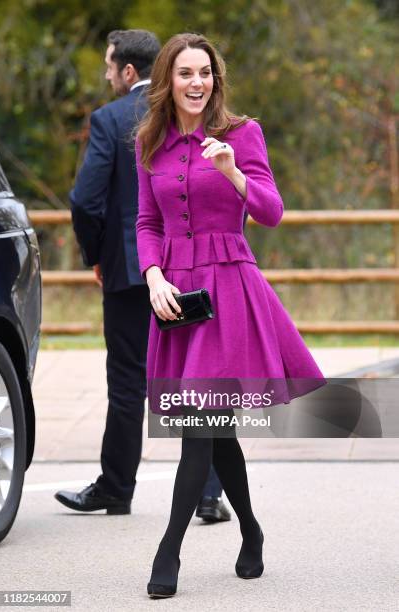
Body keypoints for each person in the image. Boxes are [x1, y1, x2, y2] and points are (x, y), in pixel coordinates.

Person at [135, 32, 326, 598]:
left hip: (229, 294)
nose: (198, 83)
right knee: (217, 433)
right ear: (168, 80)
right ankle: (251, 531)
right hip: (176, 295)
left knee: (199, 425)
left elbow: (270, 212)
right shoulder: (150, 143)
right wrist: (152, 277)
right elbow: (146, 222)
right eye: (186, 73)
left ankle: (167, 551)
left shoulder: (242, 134)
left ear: (216, 79)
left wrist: (234, 173)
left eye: (206, 73)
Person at [55, 29, 230, 521]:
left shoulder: (111, 120)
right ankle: (209, 493)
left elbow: (85, 200)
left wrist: (97, 253)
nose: (108, 75)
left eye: (110, 66)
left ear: (129, 70)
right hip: (187, 270)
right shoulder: (195, 117)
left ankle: (116, 487)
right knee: (196, 375)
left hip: (130, 274)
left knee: (128, 382)